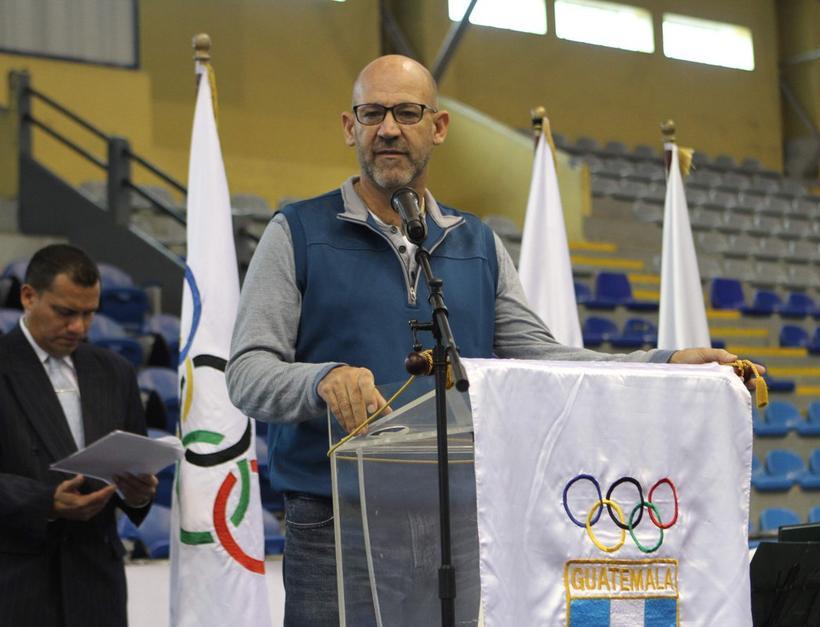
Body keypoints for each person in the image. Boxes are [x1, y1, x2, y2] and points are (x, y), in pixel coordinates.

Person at [226, 54, 760, 625]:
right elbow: (247, 371)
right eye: (372, 112)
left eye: (407, 112)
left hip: (459, 520)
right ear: (348, 126)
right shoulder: (297, 232)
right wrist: (321, 378)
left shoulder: (476, 243)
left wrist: (666, 362)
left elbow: (546, 358)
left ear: (438, 127)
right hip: (335, 524)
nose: (388, 128)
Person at [0, 244, 158, 627]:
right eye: (66, 313)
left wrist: (138, 493)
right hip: (18, 584)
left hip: (96, 586)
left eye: (89, 314)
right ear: (28, 296)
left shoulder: (115, 371)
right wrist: (46, 503)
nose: (79, 328)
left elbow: (134, 462)